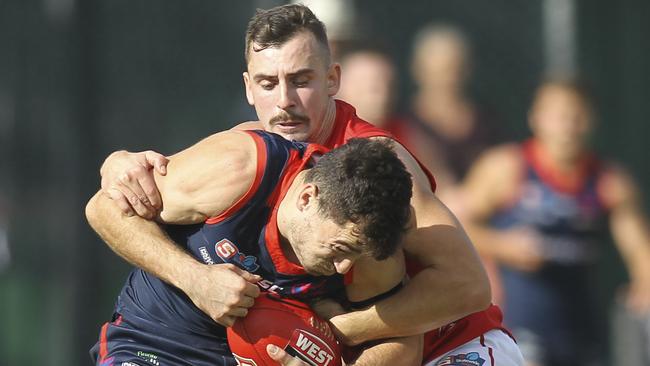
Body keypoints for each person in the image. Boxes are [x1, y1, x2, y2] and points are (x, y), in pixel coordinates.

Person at [97, 4, 523, 365]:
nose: (284, 101)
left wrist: (335, 329)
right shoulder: (252, 151)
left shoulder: (375, 165)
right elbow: (113, 204)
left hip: (455, 343)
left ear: (333, 80)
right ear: (248, 88)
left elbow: (468, 286)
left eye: (301, 81)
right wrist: (119, 165)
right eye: (268, 83)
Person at [87, 131, 420, 365]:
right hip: (153, 346)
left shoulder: (371, 245)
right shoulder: (241, 169)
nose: (346, 267)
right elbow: (105, 209)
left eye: (356, 255)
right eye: (339, 247)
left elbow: (404, 342)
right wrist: (195, 279)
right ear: (307, 198)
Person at [460, 79, 650, 366]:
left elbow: (639, 252)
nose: (568, 125)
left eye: (577, 115)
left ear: (591, 121)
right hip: (519, 324)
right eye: (559, 115)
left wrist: (644, 283)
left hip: (582, 328)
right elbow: (454, 229)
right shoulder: (506, 169)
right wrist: (502, 245)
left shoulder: (609, 182)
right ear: (536, 118)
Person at [401, 24, 500, 201]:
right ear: (417, 70)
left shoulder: (486, 121)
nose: (446, 79)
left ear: (467, 69)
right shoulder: (405, 125)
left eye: (453, 69)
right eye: (437, 71)